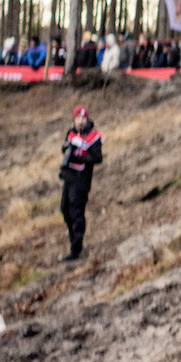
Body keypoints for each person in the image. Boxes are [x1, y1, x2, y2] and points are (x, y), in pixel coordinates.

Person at [58, 105, 104, 262]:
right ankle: (73, 240)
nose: (80, 121)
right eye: (78, 118)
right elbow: (64, 149)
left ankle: (76, 249)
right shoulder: (70, 132)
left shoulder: (94, 136)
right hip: (69, 177)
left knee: (77, 212)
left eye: (83, 118)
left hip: (82, 179)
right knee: (65, 210)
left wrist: (81, 157)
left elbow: (98, 158)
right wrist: (67, 150)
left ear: (87, 119)